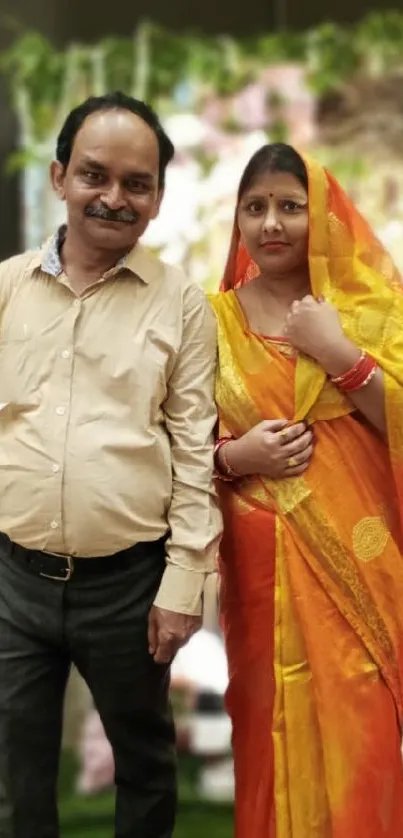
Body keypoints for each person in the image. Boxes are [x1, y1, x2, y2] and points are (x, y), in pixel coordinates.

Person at [0, 91, 222, 838]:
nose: (114, 198)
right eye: (95, 175)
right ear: (60, 176)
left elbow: (194, 448)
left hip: (129, 584)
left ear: (158, 197)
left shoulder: (181, 304)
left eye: (138, 183)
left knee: (144, 764)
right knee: (20, 770)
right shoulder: (3, 290)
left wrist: (183, 581)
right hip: (12, 579)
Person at [208, 142, 403, 838]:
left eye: (290, 206)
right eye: (254, 207)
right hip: (257, 580)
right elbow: (173, 446)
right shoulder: (210, 322)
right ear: (236, 220)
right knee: (266, 731)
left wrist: (342, 358)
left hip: (360, 573)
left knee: (360, 728)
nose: (271, 223)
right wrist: (234, 456)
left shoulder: (370, 311)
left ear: (320, 216)